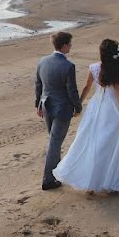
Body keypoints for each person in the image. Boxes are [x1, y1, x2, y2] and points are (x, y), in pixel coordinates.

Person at [53, 38, 119, 193]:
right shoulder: (116, 69)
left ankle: (91, 182)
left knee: (91, 141)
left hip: (95, 108)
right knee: (109, 145)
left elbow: (87, 87)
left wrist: (79, 103)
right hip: (111, 110)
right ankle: (107, 181)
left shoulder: (94, 67)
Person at [34, 31, 84, 190]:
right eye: (70, 43)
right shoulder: (68, 66)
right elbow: (72, 91)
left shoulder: (42, 61)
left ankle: (55, 173)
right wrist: (78, 107)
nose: (71, 46)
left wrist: (37, 105)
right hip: (62, 109)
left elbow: (38, 85)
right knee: (55, 143)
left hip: (46, 106)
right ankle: (48, 180)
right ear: (63, 46)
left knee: (54, 141)